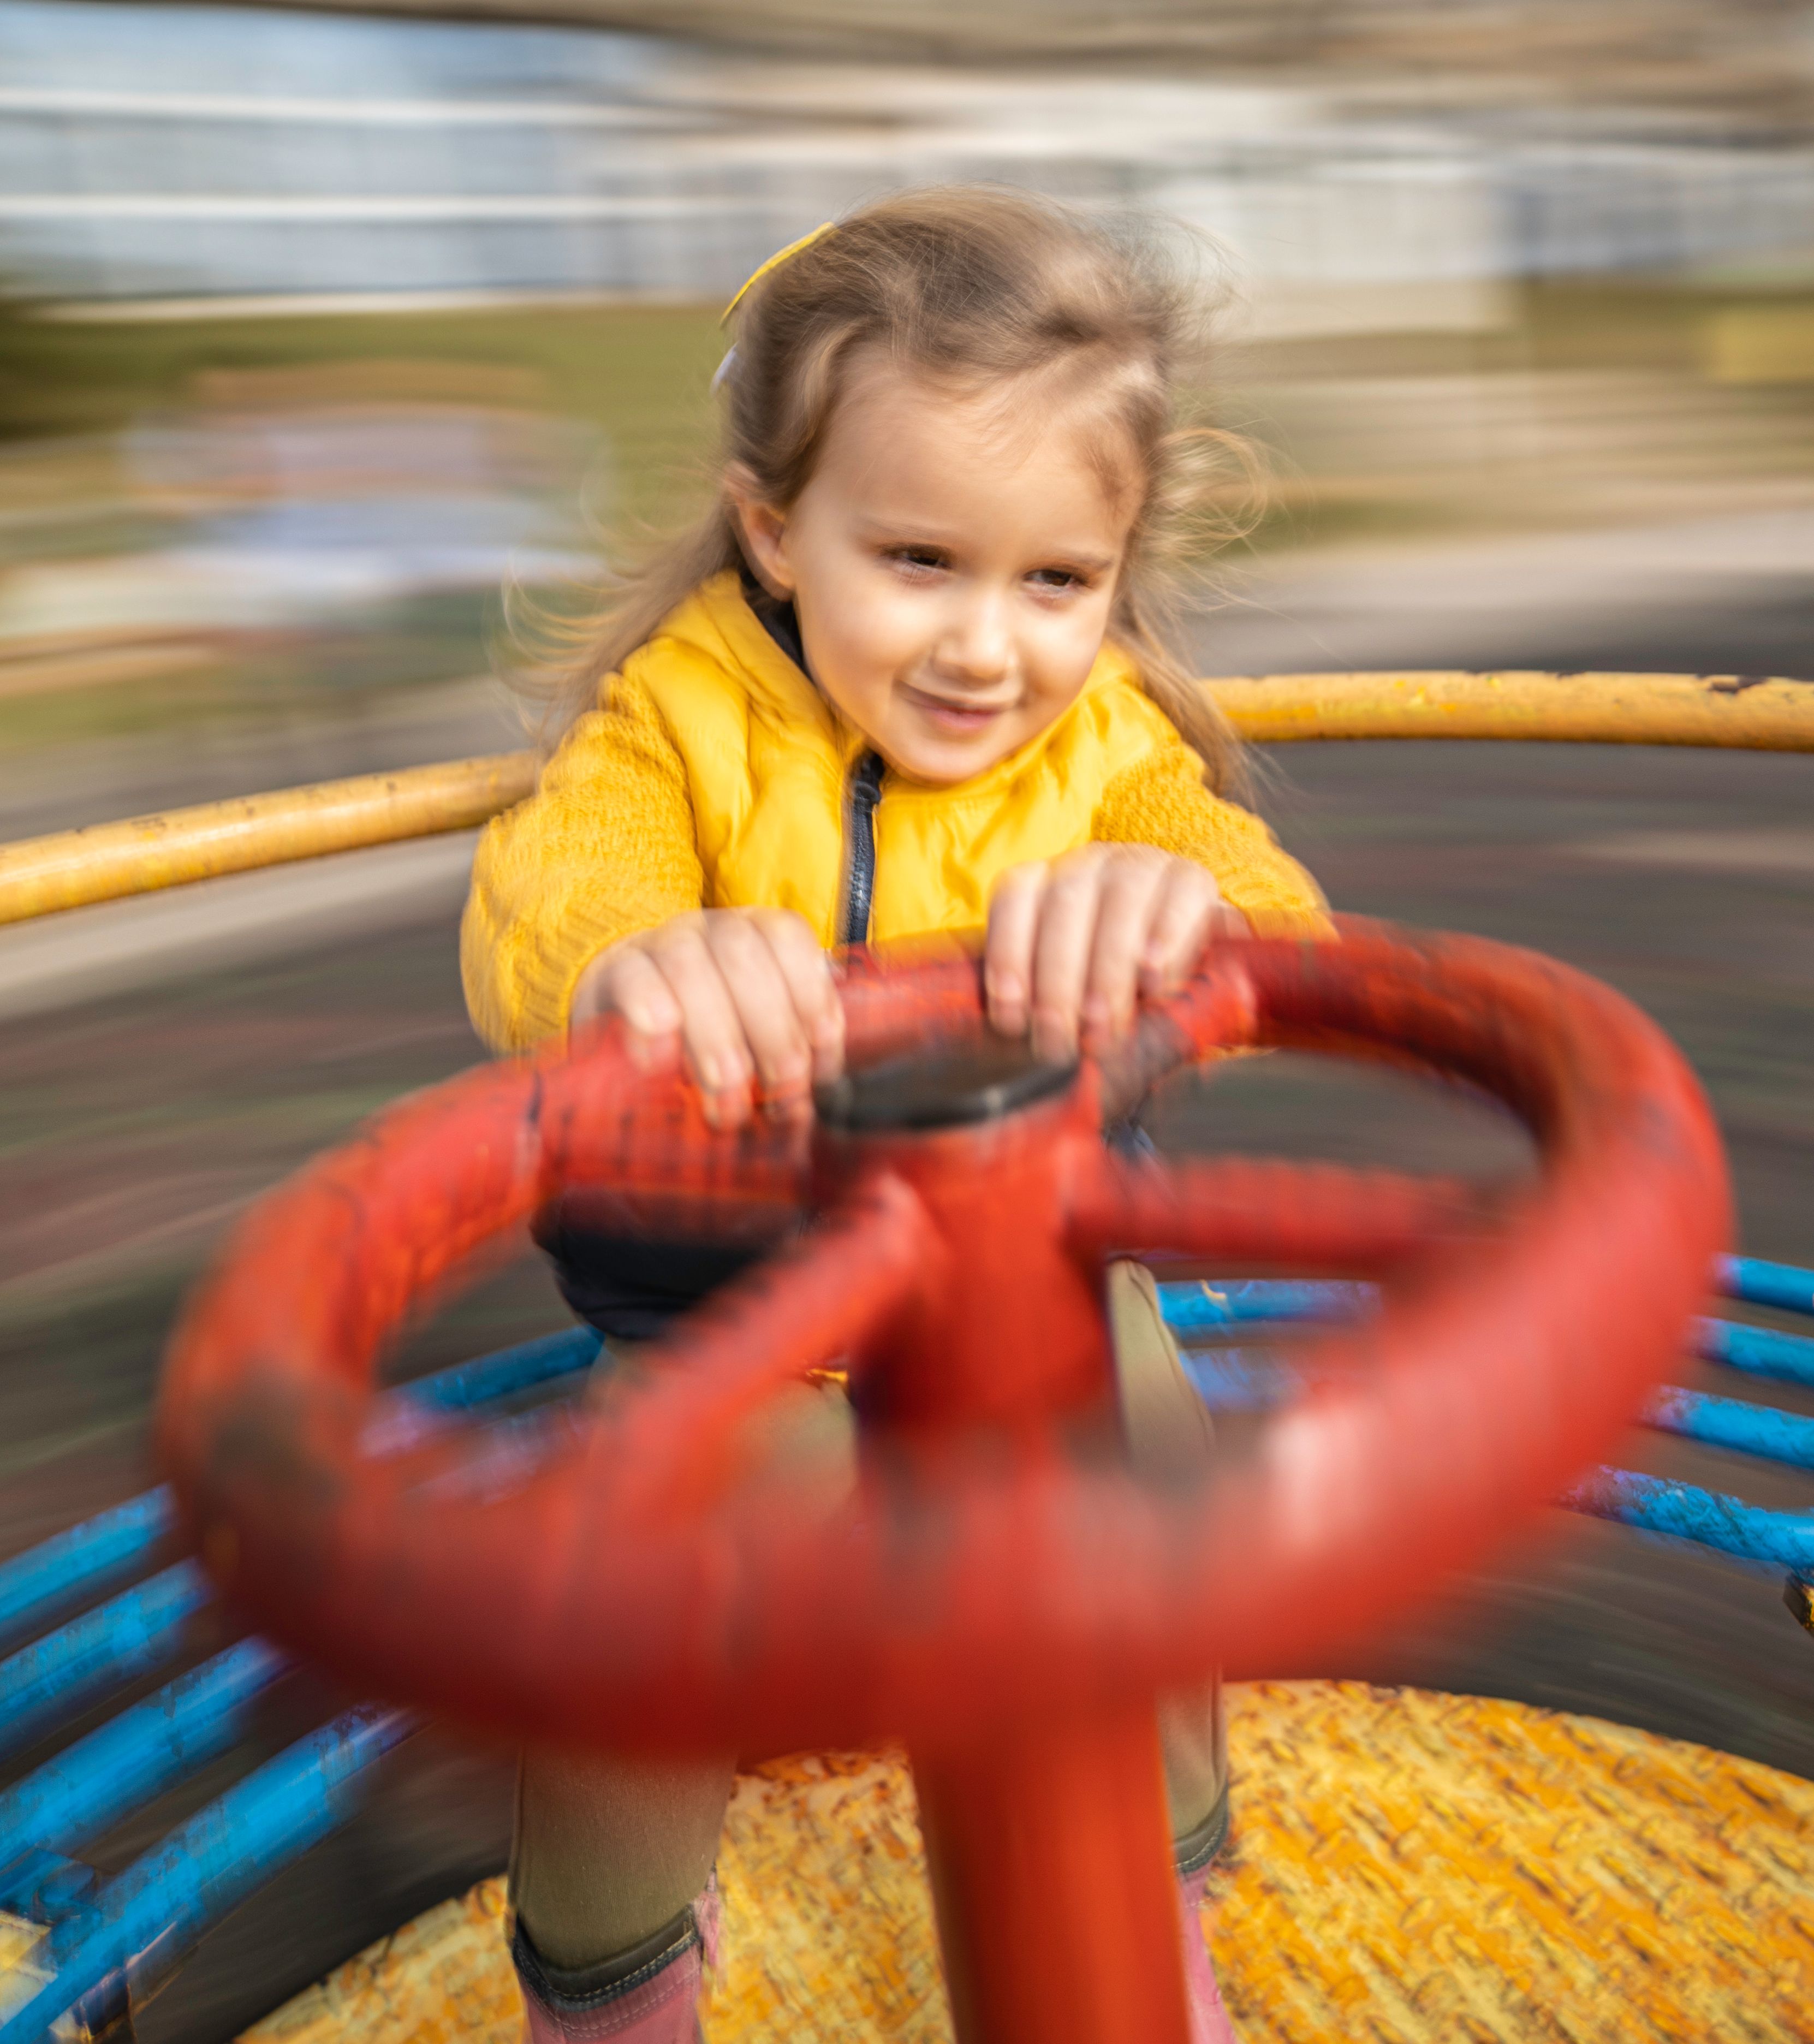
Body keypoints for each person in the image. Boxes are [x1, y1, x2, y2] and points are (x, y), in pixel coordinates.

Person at [462, 187, 1328, 2042]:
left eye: (1056, 582)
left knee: (1142, 1490)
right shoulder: (675, 718)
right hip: (734, 1320)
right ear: (778, 529)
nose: (986, 651)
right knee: (624, 1613)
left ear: (1113, 570)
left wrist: (1187, 919)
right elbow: (554, 889)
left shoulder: (1108, 752)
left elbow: (1277, 914)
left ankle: (1144, 1902)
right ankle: (611, 1986)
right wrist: (641, 962)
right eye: (919, 560)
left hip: (1027, 1308)